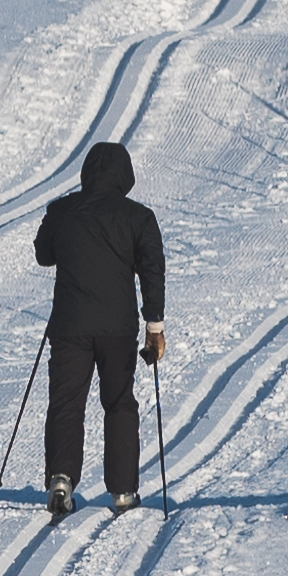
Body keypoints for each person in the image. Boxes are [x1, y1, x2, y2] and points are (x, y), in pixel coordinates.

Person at [28, 141, 167, 515]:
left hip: (69, 325)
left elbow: (43, 254)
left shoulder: (62, 211)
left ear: (86, 173)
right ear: (125, 176)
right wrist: (154, 325)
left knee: (66, 402)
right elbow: (152, 270)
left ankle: (61, 479)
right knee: (119, 402)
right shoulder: (138, 217)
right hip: (118, 329)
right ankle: (123, 491)